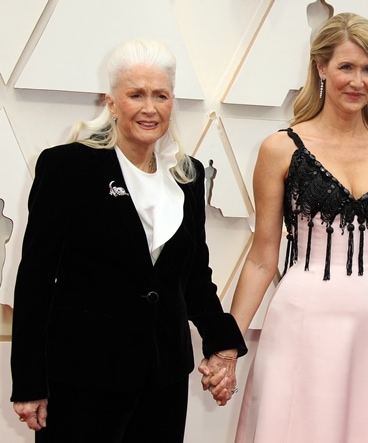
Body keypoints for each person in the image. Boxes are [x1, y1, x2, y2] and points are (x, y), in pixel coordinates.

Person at [10, 39, 247, 443]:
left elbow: (192, 277)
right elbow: (35, 281)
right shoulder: (67, 167)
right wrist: (30, 382)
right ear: (112, 101)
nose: (149, 108)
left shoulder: (187, 175)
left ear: (173, 102)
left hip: (164, 377)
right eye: (136, 94)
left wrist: (221, 340)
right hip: (83, 378)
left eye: (161, 95)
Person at [230, 12, 368, 443]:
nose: (358, 81)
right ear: (321, 67)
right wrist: (227, 345)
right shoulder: (280, 149)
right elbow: (262, 258)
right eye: (346, 66)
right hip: (301, 322)